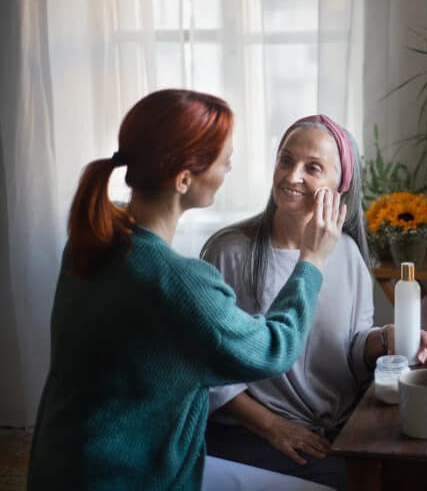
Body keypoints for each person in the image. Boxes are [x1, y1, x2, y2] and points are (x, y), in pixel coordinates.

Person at [27, 90, 346, 490]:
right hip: (130, 479)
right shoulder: (179, 285)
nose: (231, 165)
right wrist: (312, 260)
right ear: (183, 179)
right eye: (224, 157)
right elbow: (275, 348)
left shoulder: (91, 242)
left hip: (61, 470)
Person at [200, 114, 427, 490]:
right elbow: (211, 378)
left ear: (340, 186)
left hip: (333, 426)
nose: (292, 176)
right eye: (286, 160)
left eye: (312, 168)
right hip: (254, 432)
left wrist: (385, 339)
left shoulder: (347, 251)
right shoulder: (230, 253)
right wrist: (274, 427)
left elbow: (351, 346)